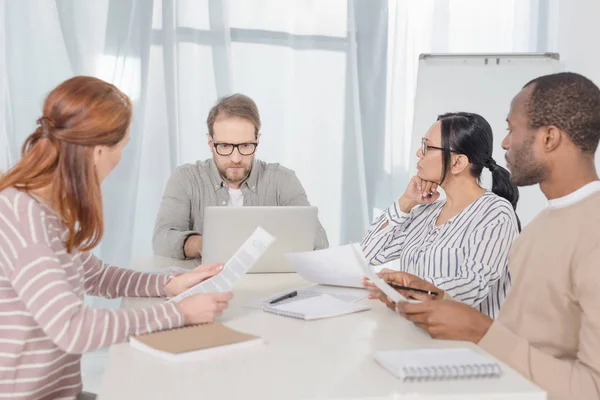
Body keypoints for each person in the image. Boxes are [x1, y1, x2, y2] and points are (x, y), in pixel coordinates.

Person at [369, 72, 600, 400]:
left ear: (549, 138)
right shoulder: (542, 224)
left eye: (512, 129)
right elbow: (523, 337)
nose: (505, 143)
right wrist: (428, 293)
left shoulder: (591, 233)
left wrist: (482, 333)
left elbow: (593, 388)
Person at [0, 76, 233, 400]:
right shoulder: (27, 223)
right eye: (121, 147)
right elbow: (73, 328)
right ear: (96, 152)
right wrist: (181, 314)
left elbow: (92, 274)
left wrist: (169, 285)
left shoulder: (46, 204)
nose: (121, 158)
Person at [361, 112, 520, 318]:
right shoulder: (427, 211)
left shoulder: (495, 213)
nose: (419, 153)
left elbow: (473, 286)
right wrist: (406, 202)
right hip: (418, 332)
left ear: (457, 163)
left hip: (467, 343)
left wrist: (412, 287)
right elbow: (369, 254)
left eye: (427, 147)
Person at [152, 93, 329, 259]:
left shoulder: (282, 180)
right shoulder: (185, 178)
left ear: (257, 141)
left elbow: (319, 241)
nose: (235, 158)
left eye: (245, 146)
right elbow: (161, 240)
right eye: (225, 146)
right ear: (210, 143)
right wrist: (202, 244)